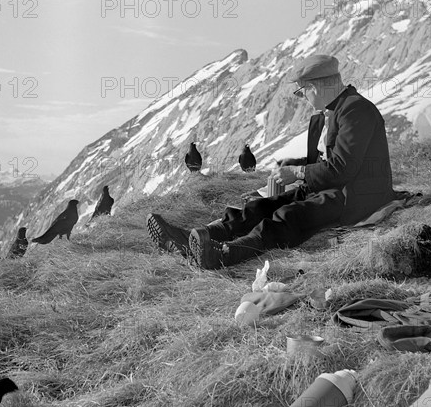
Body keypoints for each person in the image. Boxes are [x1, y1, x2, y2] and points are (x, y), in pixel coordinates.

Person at [146, 54, 396, 269]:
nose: (302, 98)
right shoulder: (325, 116)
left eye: (301, 92)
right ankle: (192, 238)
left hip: (355, 195)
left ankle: (225, 253)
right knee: (259, 208)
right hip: (327, 188)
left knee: (289, 214)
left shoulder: (356, 110)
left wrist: (298, 172)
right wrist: (291, 166)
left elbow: (343, 167)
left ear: (315, 88)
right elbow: (321, 159)